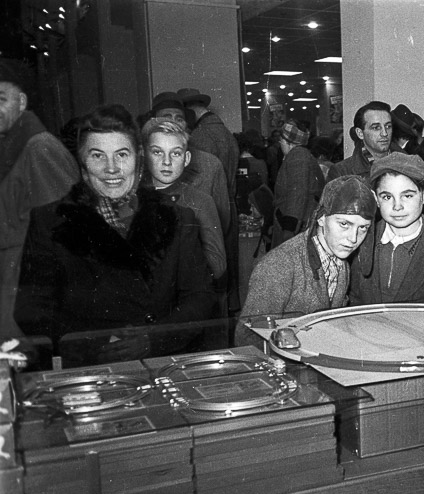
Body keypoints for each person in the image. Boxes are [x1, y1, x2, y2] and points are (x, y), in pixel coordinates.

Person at [15, 104, 216, 367]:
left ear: (138, 159)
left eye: (122, 154)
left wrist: (152, 338)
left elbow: (200, 298)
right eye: (97, 156)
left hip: (160, 363)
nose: (112, 168)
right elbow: (32, 311)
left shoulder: (177, 218)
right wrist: (97, 343)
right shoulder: (49, 221)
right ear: (82, 163)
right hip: (92, 369)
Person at [235, 175, 377, 346]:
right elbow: (246, 337)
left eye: (363, 228)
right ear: (321, 218)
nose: (353, 239)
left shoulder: (341, 262)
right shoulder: (280, 265)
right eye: (344, 224)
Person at [0, 60, 79, 338]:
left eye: (1, 98)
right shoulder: (10, 145)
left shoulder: (38, 147)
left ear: (21, 102)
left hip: (24, 287)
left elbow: (64, 231)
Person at [350, 152, 424, 305]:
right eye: (387, 197)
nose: (397, 206)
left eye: (408, 196)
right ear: (375, 198)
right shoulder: (360, 240)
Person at [141, 118, 226, 280]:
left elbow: (218, 263)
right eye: (158, 152)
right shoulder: (133, 196)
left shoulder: (200, 202)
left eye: (175, 153)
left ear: (186, 159)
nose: (167, 162)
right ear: (145, 155)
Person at [271, 120, 325, 248]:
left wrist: (288, 231)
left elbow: (297, 194)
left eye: (281, 141)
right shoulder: (303, 155)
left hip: (296, 226)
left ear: (289, 143)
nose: (280, 143)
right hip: (302, 222)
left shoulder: (297, 156)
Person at [328, 101, 394, 180]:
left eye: (388, 126)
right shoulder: (342, 172)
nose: (384, 133)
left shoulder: (405, 165)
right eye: (376, 128)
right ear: (360, 133)